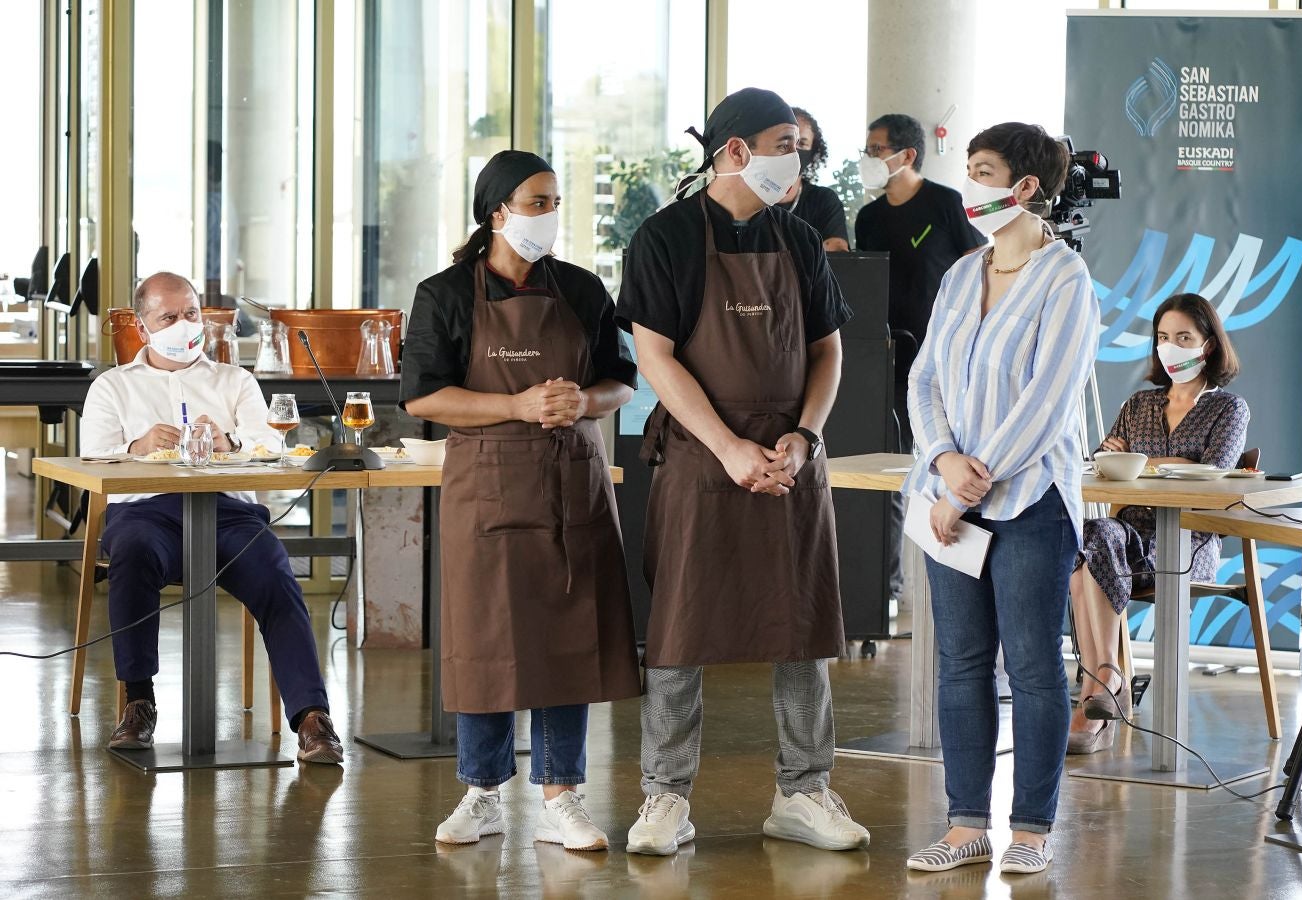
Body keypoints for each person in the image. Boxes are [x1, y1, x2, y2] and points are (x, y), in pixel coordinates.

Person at [615, 87, 868, 856]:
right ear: (733, 151)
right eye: (785, 142)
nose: (798, 158)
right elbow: (654, 356)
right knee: (680, 632)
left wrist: (804, 438)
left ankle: (804, 789)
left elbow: (828, 350)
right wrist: (728, 447)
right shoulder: (662, 239)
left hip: (791, 458)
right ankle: (664, 797)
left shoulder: (796, 240)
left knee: (803, 628)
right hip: (701, 453)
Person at [400, 151, 642, 852]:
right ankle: (482, 791)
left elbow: (622, 379)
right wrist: (517, 403)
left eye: (556, 201)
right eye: (538, 202)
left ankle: (563, 796)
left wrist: (583, 400)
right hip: (487, 486)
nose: (551, 214)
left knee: (568, 641)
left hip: (573, 482)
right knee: (486, 643)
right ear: (496, 211)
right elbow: (422, 395)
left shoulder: (583, 290)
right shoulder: (444, 293)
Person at [903, 122, 1098, 875]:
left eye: (982, 170)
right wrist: (944, 461)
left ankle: (1031, 827)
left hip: (1032, 501)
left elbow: (1048, 405)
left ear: (1023, 188)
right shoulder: (960, 274)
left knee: (1034, 667)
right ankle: (965, 824)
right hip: (949, 493)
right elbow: (924, 380)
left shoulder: (1066, 279)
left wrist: (973, 479)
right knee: (961, 664)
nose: (969, 183)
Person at [80, 272, 343, 764]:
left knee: (275, 572)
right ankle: (139, 702)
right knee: (132, 555)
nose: (184, 326)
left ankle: (312, 718)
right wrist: (135, 447)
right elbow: (91, 455)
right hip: (145, 512)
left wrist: (232, 442)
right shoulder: (113, 387)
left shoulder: (234, 381)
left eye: (192, 314)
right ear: (141, 326)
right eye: (169, 317)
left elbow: (272, 445)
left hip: (230, 513)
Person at [1068, 293, 1248, 754]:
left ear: (1207, 345)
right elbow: (1105, 459)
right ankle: (1106, 677)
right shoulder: (1139, 404)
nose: (1171, 347)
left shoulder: (1228, 408)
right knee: (1085, 540)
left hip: (1188, 540)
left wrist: (1141, 461)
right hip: (1125, 537)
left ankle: (1099, 689)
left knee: (1090, 553)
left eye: (1183, 337)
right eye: (1163, 337)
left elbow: (1215, 473)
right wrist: (1138, 459)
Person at [854, 113, 984, 603]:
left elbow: (977, 270)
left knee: (947, 464)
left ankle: (953, 577)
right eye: (867, 149)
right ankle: (889, 589)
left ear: (906, 155)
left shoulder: (946, 204)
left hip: (946, 365)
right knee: (892, 473)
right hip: (886, 364)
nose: (869, 159)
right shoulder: (869, 218)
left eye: (876, 148)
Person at [778, 106, 850, 252]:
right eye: (786, 141)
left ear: (813, 153)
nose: (793, 150)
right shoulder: (749, 199)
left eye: (802, 143)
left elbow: (838, 253)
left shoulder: (823, 200)